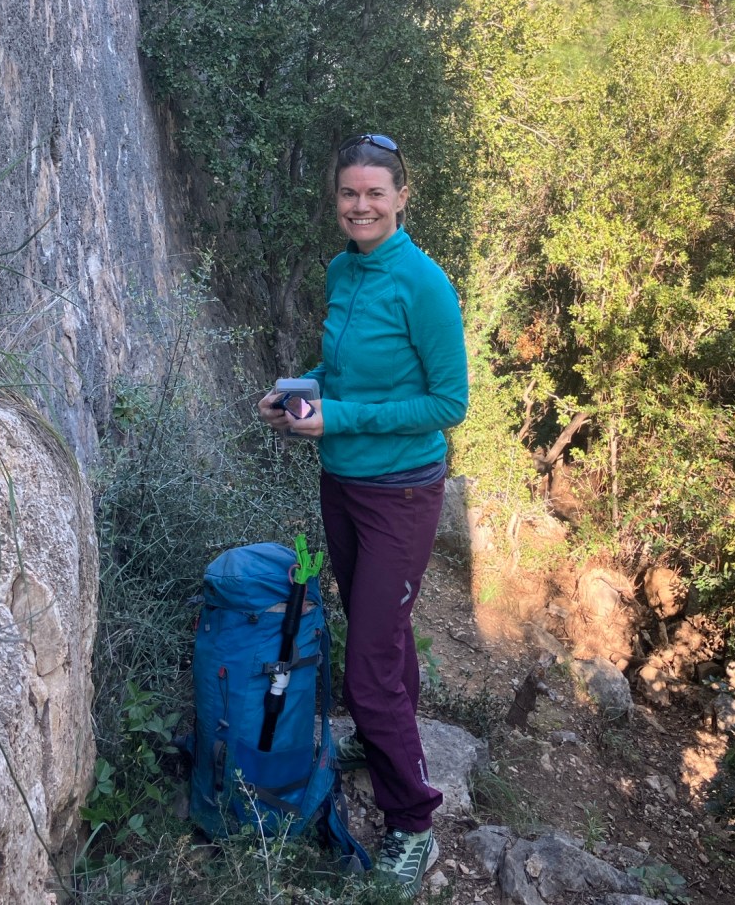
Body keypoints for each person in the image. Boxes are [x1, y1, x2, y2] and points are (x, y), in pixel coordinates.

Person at [257, 132, 468, 898]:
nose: (361, 205)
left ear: (403, 197)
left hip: (402, 494)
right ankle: (387, 749)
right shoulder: (344, 270)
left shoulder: (424, 284)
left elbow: (449, 402)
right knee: (381, 636)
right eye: (349, 192)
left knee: (367, 667)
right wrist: (298, 391)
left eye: (376, 192)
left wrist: (338, 417)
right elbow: (341, 372)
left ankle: (413, 825)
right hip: (341, 483)